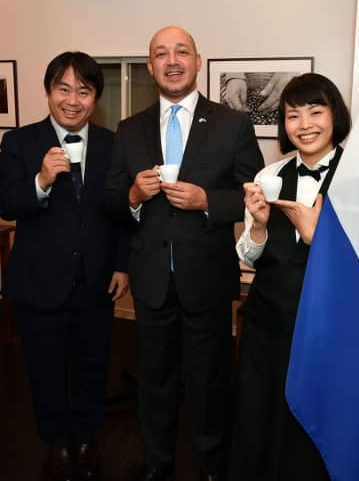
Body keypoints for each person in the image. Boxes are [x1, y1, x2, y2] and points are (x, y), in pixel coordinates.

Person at [103, 26, 264, 481]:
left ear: (197, 60)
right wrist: (133, 194)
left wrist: (207, 201)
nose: (172, 61)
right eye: (160, 54)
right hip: (152, 281)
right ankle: (157, 464)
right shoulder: (129, 129)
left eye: (181, 52)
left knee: (210, 384)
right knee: (153, 384)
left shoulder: (232, 124)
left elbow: (252, 193)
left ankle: (213, 468)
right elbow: (110, 200)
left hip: (207, 280)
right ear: (150, 66)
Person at [0, 51, 129, 481]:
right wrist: (41, 181)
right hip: (39, 282)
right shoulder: (20, 142)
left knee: (94, 365)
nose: (73, 100)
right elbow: (7, 202)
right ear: (49, 92)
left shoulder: (113, 144)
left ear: (96, 97)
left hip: (96, 280)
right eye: (64, 89)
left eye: (84, 91)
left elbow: (121, 213)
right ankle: (56, 443)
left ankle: (88, 438)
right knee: (44, 368)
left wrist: (122, 264)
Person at [231, 73, 352, 481]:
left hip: (331, 327)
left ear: (335, 115)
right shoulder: (270, 176)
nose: (305, 125)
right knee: (263, 415)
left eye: (316, 112)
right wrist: (261, 226)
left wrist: (320, 238)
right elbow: (248, 255)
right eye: (293, 115)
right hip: (269, 321)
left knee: (318, 418)